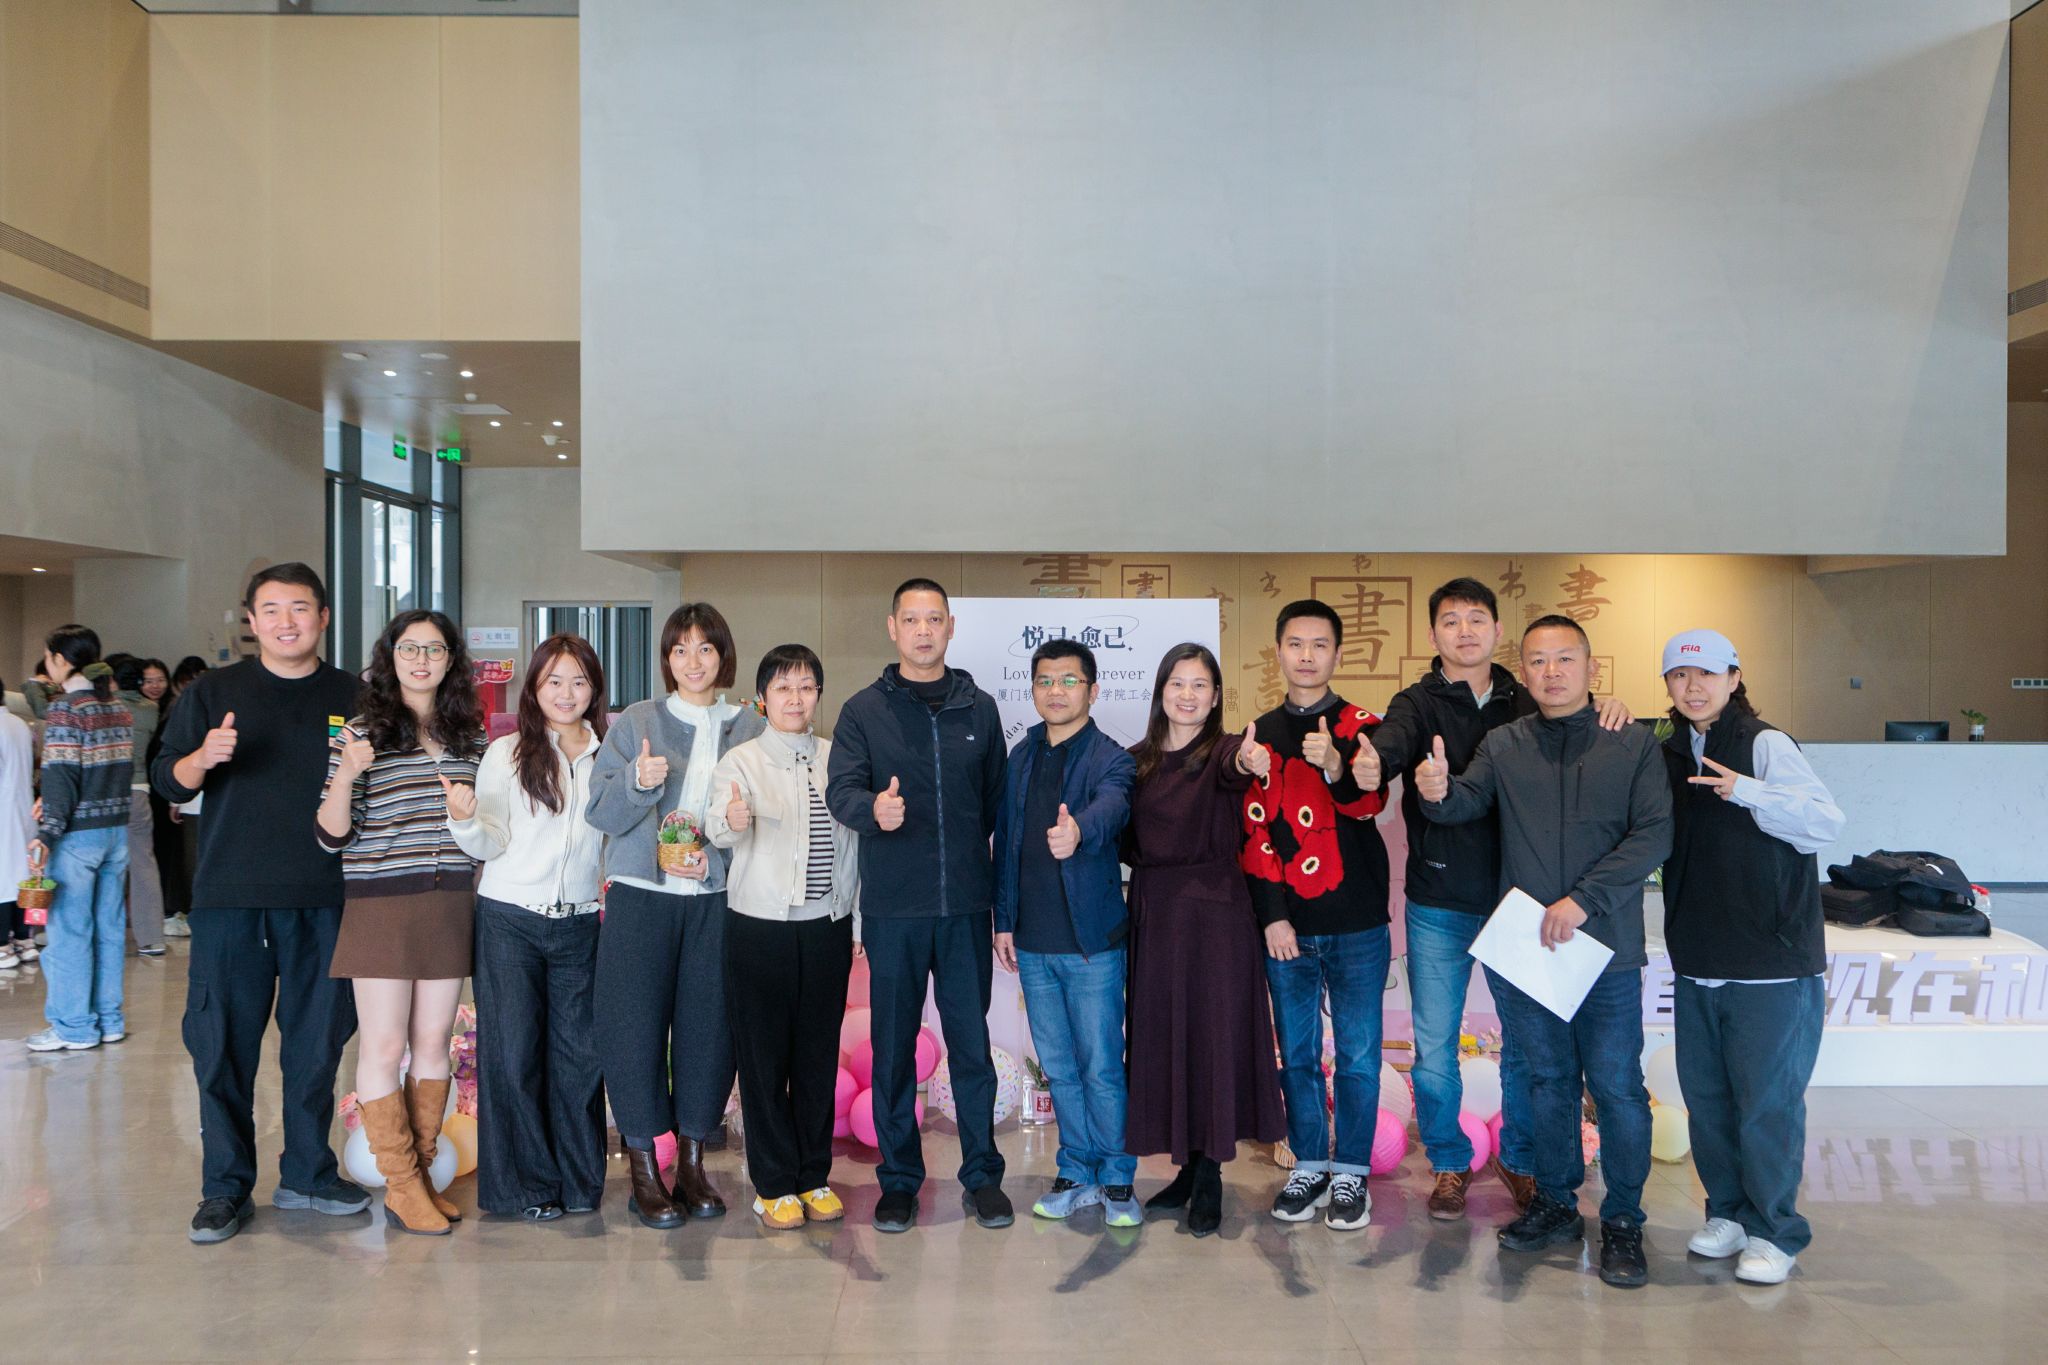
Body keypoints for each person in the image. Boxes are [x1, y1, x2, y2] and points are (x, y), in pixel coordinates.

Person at [1352, 578, 1629, 1219]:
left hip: (1521, 902)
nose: (1465, 631)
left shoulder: (1525, 696)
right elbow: (1390, 742)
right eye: (1451, 621)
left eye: (1477, 619)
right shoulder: (1416, 702)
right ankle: (1449, 1162)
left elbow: (1575, 720)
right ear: (1433, 634)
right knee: (1435, 1046)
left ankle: (1521, 1161)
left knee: (1526, 1047)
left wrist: (1607, 707)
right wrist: (1377, 766)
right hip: (1439, 899)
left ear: (1498, 630)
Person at [1416, 615, 1672, 1288]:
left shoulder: (1630, 741)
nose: (1551, 671)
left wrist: (1585, 899)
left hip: (1606, 948)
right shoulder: (1505, 742)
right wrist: (1437, 790)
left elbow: (1654, 833)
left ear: (1591, 667)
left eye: (1564, 658)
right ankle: (1556, 1203)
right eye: (1537, 660)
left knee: (1616, 1088)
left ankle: (1623, 1219)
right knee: (1547, 1080)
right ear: (1523, 671)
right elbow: (1465, 801)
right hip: (1530, 948)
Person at [154, 564, 371, 1244]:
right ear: (251, 620)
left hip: (324, 898)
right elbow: (167, 778)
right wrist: (201, 757)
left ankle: (308, 1171)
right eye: (271, 609)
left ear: (323, 617)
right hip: (231, 901)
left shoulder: (355, 695)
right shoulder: (213, 693)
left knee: (316, 1047)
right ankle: (224, 1188)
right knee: (221, 1046)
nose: (285, 621)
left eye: (299, 608)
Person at [825, 579, 1011, 1235]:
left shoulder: (980, 709)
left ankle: (983, 1177)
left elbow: (996, 805)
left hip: (964, 909)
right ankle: (900, 1181)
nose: (924, 630)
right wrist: (871, 808)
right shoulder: (862, 710)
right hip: (894, 911)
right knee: (893, 1049)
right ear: (892, 627)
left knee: (970, 1050)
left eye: (934, 619)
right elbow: (840, 790)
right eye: (912, 619)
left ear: (950, 627)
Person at [1659, 629, 1843, 1286]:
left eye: (1707, 673)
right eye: (1680, 676)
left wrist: (1747, 790)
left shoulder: (1765, 744)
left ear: (1734, 678)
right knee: (1707, 1099)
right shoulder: (1670, 750)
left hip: (1772, 962)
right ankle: (1729, 1213)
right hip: (1699, 957)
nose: (1693, 686)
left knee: (1767, 1103)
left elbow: (1825, 821)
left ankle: (1775, 1229)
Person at [587, 602, 764, 1228]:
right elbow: (601, 813)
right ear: (667, 658)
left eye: (706, 648)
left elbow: (766, 822)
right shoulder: (637, 721)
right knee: (632, 1027)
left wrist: (722, 852)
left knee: (710, 1030)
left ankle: (692, 1164)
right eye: (681, 649)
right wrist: (637, 781)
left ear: (723, 657)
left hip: (717, 902)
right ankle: (643, 1168)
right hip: (642, 898)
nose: (694, 661)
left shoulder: (750, 726)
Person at [318, 609, 484, 1236]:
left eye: (434, 649)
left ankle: (421, 1174)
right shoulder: (361, 733)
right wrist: (346, 773)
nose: (421, 660)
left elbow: (486, 827)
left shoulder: (470, 737)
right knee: (385, 1046)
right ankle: (402, 1184)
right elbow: (331, 835)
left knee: (434, 1042)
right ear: (390, 657)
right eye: (409, 648)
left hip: (449, 903)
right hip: (381, 904)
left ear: (450, 661)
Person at [1124, 643, 1287, 1237]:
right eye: (1177, 683)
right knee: (1170, 1038)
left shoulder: (1223, 751)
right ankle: (1188, 1169)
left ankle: (1212, 1172)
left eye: (1200, 685)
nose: (1187, 695)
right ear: (1161, 690)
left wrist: (1250, 760)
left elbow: (1240, 767)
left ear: (1216, 696)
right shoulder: (1136, 761)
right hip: (1155, 914)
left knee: (1213, 1039)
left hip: (1216, 916)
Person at [1241, 601, 1390, 1231]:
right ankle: (1308, 1164)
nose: (1307, 655)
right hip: (1289, 929)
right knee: (1296, 1055)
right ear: (1278, 651)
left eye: (1320, 644)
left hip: (1358, 921)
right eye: (1296, 644)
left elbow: (1370, 804)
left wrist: (1335, 766)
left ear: (1337, 653)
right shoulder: (1258, 734)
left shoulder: (1364, 725)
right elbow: (1254, 833)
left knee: (1358, 1055)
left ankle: (1351, 1172)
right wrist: (1272, 917)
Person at [451, 633, 609, 1222]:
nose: (566, 693)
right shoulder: (508, 753)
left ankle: (579, 1182)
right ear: (534, 689)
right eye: (553, 681)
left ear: (594, 688)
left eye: (578, 681)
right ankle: (528, 1187)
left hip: (579, 926)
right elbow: (489, 841)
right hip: (509, 923)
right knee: (513, 1057)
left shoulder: (609, 757)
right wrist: (464, 821)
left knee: (579, 1060)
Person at [706, 644, 861, 1231]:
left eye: (806, 687)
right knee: (764, 1060)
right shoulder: (741, 761)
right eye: (783, 688)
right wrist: (730, 822)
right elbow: (718, 826)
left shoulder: (838, 758)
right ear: (762, 698)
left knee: (817, 1057)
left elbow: (856, 847)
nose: (795, 699)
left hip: (827, 927)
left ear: (818, 694)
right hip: (759, 928)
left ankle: (813, 1177)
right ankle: (772, 1185)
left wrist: (856, 921)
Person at [991, 640, 1139, 1227]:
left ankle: (1118, 1177)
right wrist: (1004, 920)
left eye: (1069, 681)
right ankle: (1077, 1169)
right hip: (1032, 943)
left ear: (1093, 690)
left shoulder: (1111, 758)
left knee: (1102, 1066)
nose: (1056, 691)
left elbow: (1113, 807)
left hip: (1091, 945)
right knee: (1060, 1067)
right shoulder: (1021, 756)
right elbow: (1006, 845)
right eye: (1045, 681)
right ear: (1033, 689)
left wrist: (1078, 830)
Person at [24, 627, 133, 1054]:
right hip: (116, 832)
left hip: (77, 837)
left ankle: (74, 1027)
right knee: (109, 931)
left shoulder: (66, 708)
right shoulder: (116, 706)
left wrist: (47, 831)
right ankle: (108, 1020)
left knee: (69, 934)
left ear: (60, 660)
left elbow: (62, 775)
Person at [108, 655, 166, 959]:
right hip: (140, 791)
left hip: (108, 791)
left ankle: (107, 934)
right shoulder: (150, 709)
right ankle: (152, 938)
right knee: (144, 863)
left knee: (105, 863)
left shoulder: (106, 707)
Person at [1, 675, 36, 971]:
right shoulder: (19, 724)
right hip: (23, 810)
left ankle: (2, 945)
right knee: (21, 878)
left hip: (3, 813)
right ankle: (24, 940)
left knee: (3, 882)